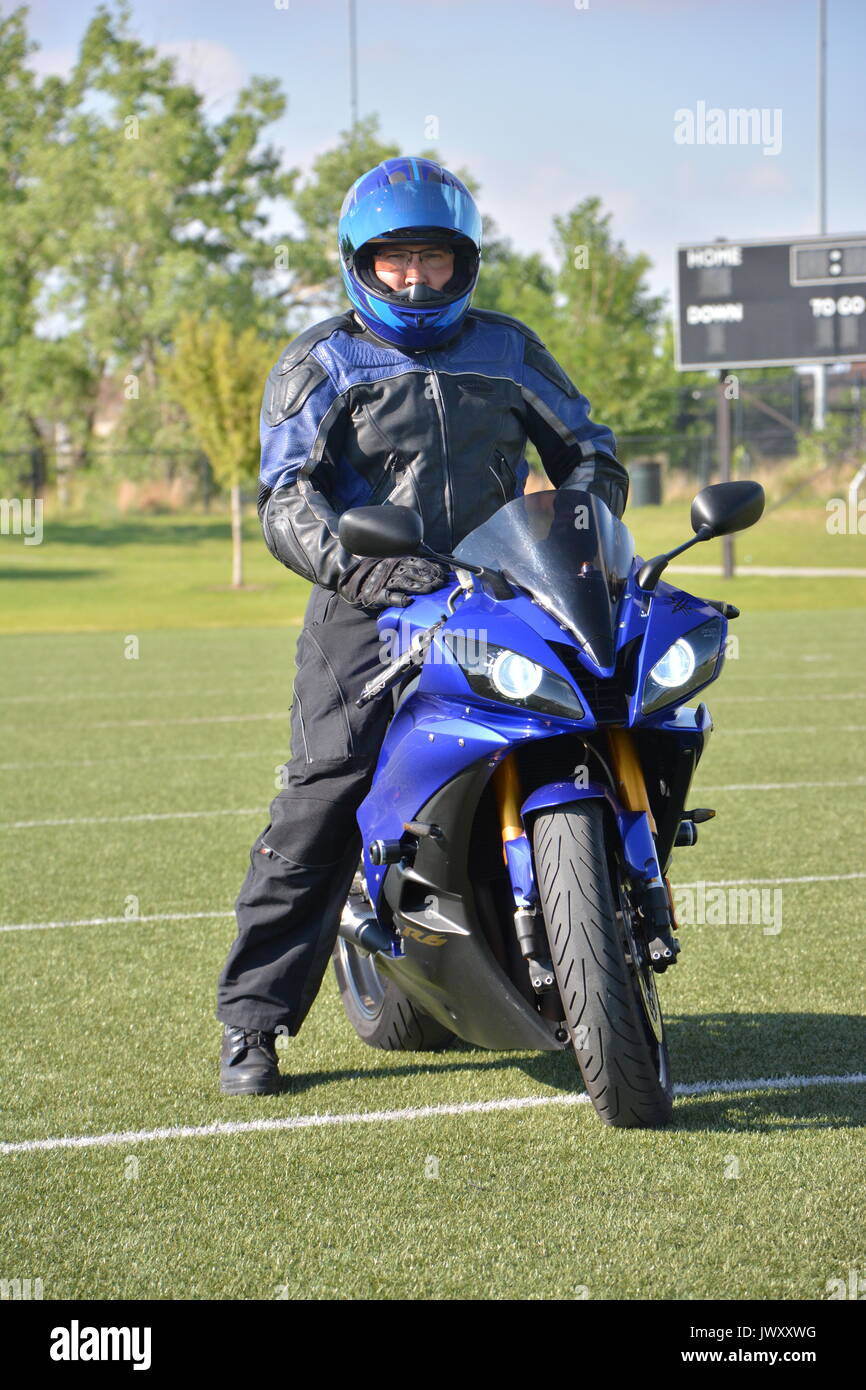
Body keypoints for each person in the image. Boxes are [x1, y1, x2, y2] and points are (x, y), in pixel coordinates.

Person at [216, 156, 629, 1094]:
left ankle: (586, 934)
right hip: (367, 604)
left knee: (590, 722)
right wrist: (356, 565)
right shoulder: (322, 361)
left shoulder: (510, 349)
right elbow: (285, 497)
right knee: (324, 795)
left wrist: (584, 523)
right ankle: (254, 1023)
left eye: (434, 259)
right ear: (360, 262)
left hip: (501, 590)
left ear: (463, 261)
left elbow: (590, 452)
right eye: (395, 259)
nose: (415, 278)